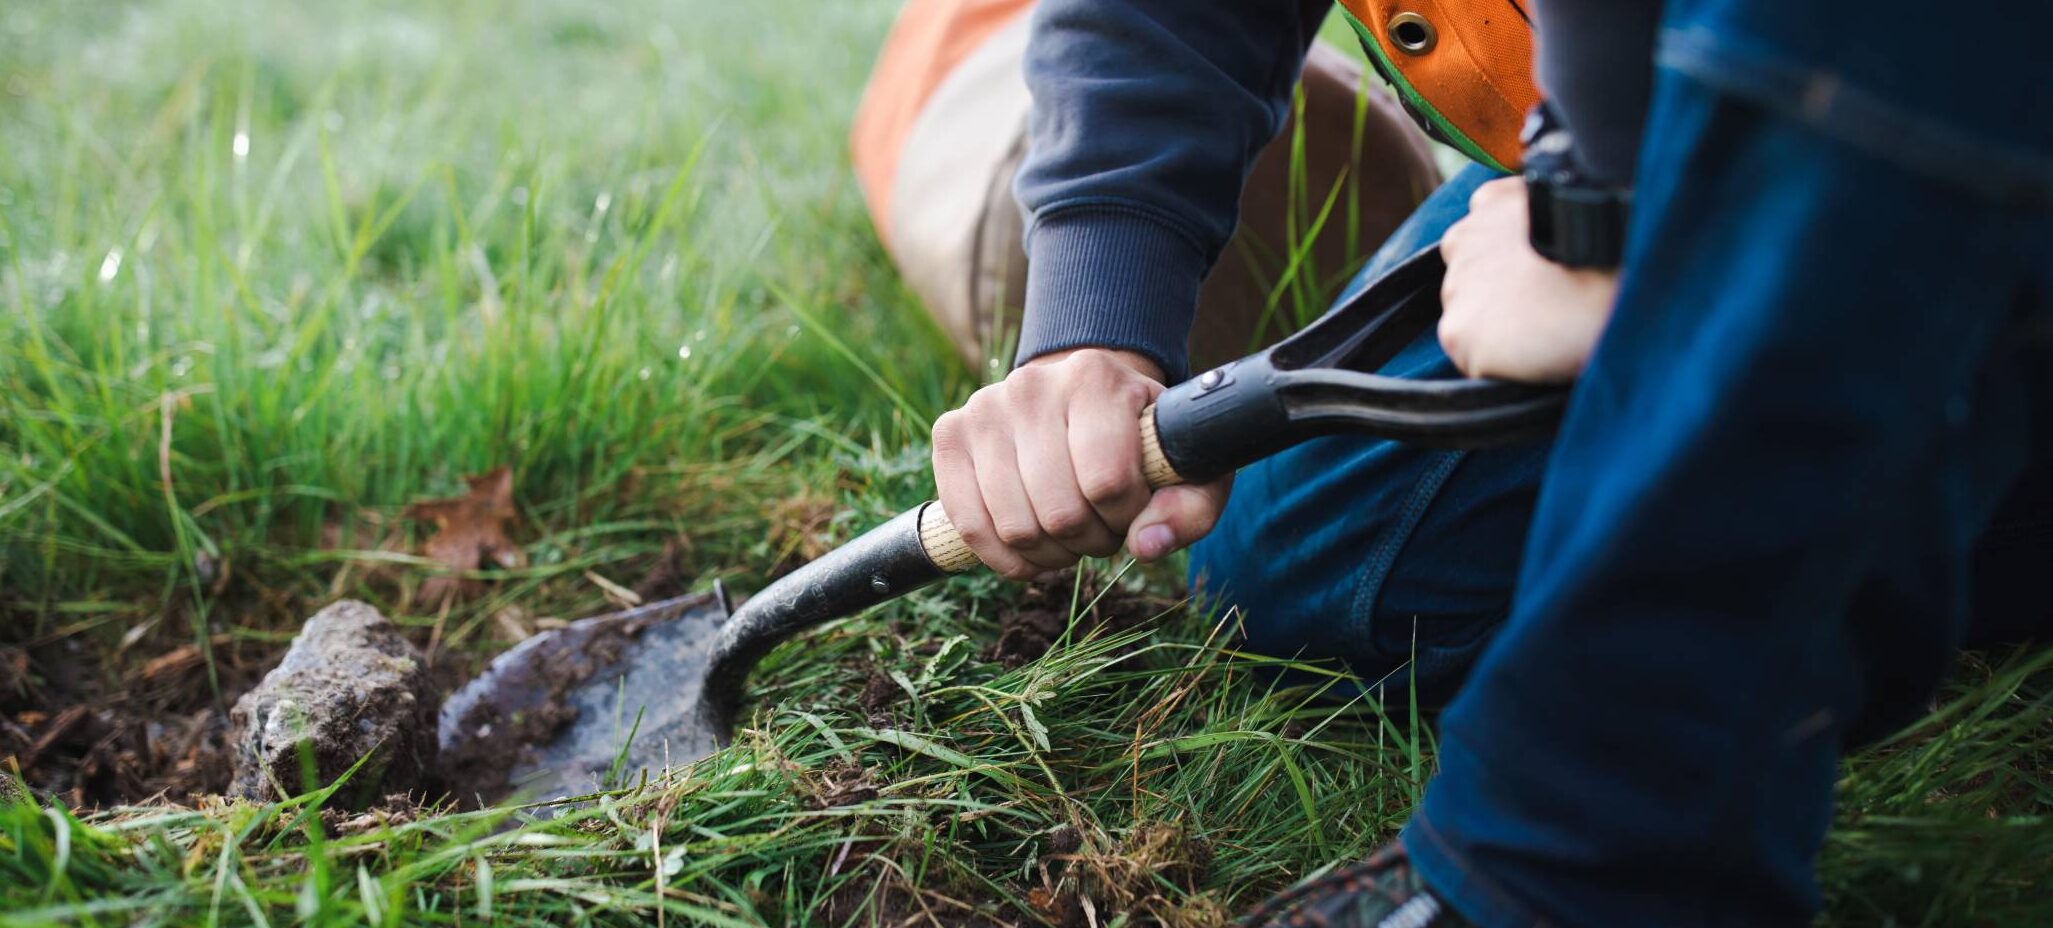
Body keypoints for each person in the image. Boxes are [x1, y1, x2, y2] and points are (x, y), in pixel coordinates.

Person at [924, 1, 2053, 926]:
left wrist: (1602, 214)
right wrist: (1094, 312)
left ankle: (1578, 870)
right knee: (1314, 565)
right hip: (1667, 124)